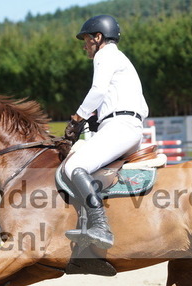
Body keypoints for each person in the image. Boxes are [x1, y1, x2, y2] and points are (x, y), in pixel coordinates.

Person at [63, 14, 149, 250]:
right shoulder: (121, 60)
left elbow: (98, 90)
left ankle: (100, 225)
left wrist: (78, 117)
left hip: (120, 127)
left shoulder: (105, 55)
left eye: (87, 39)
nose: (85, 44)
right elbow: (135, 105)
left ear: (98, 37)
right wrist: (95, 119)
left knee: (73, 167)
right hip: (127, 127)